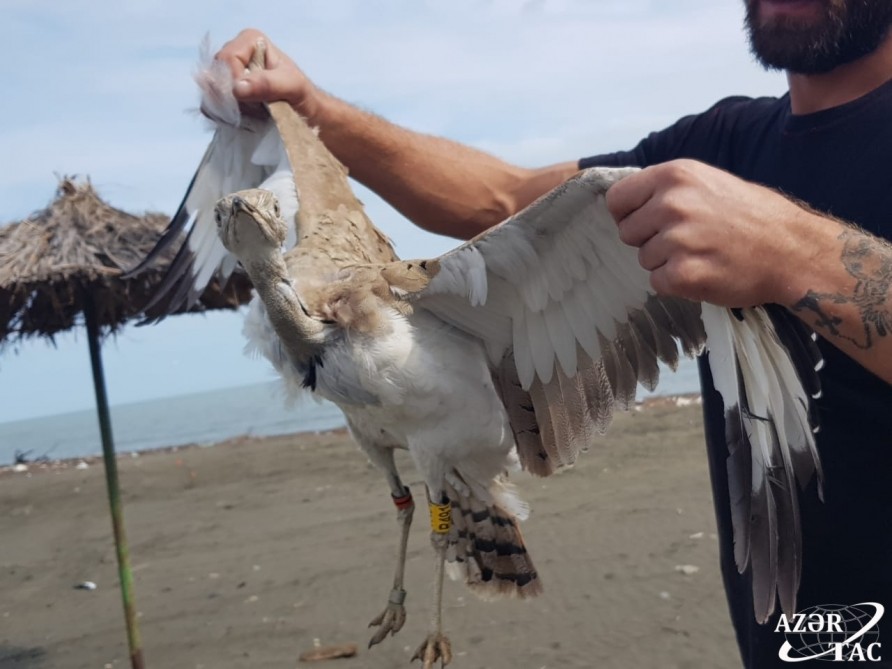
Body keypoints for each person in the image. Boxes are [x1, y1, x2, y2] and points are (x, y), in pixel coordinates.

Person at [215, 1, 892, 665]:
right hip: (792, 622)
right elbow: (506, 202)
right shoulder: (723, 145)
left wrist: (795, 255)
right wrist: (308, 108)